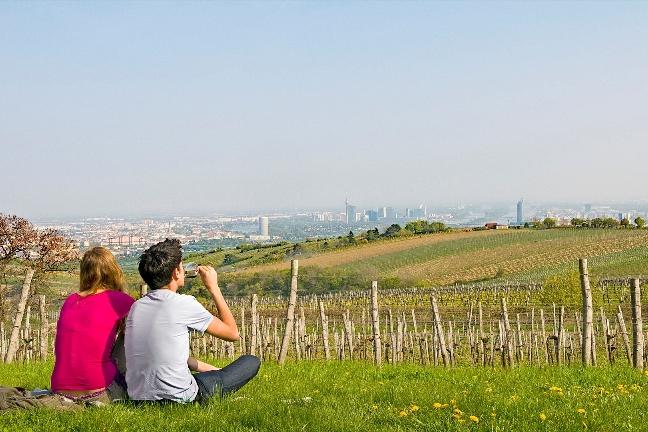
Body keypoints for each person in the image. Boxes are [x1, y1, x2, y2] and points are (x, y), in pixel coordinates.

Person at [125, 238, 260, 403]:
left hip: (140, 398)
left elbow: (164, 355)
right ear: (176, 272)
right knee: (251, 362)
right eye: (182, 266)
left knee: (207, 373)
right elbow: (232, 333)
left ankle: (216, 374)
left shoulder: (136, 307)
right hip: (180, 398)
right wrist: (214, 288)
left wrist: (213, 370)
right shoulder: (183, 304)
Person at [50, 247, 135, 404]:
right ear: (113, 270)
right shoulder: (121, 300)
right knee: (130, 335)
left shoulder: (70, 300)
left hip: (59, 388)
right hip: (99, 388)